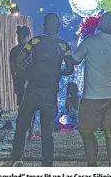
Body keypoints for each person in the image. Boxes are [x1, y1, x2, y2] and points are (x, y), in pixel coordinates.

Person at [70, 12, 111, 167]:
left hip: (92, 96)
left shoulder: (89, 42)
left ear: (100, 25)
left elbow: (74, 60)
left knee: (87, 132)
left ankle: (92, 165)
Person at [10, 13, 73, 167]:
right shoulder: (64, 45)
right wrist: (57, 73)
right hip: (50, 92)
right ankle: (47, 162)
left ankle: (17, 157)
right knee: (47, 130)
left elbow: (19, 61)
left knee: (22, 124)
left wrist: (31, 72)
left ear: (44, 26)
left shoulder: (35, 41)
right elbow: (70, 69)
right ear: (59, 27)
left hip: (32, 89)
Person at [9, 25, 38, 140]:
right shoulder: (32, 49)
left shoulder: (14, 50)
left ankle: (22, 131)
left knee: (22, 108)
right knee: (32, 107)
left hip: (20, 80)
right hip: (30, 81)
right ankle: (30, 132)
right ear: (28, 36)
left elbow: (12, 69)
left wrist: (15, 82)